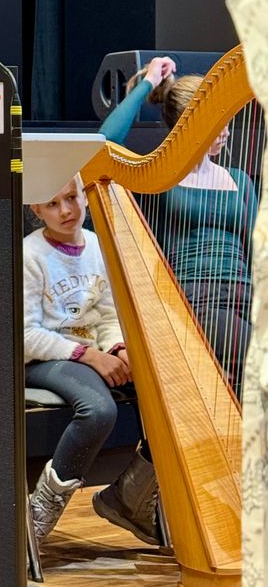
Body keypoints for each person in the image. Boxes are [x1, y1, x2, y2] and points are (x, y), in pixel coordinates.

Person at [99, 56, 257, 394]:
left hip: (246, 296)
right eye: (216, 124)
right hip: (195, 300)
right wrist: (148, 83)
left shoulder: (239, 179)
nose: (226, 132)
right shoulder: (160, 178)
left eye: (227, 121)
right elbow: (104, 143)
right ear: (188, 127)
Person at [25, 175, 161, 544]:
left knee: (168, 394)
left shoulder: (99, 247)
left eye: (71, 197)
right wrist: (89, 356)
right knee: (99, 411)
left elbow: (108, 315)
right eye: (52, 204)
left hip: (93, 354)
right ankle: (38, 518)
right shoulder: (30, 254)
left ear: (85, 196)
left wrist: (118, 348)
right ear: (36, 209)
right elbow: (26, 335)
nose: (65, 210)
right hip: (44, 359)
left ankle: (128, 498)